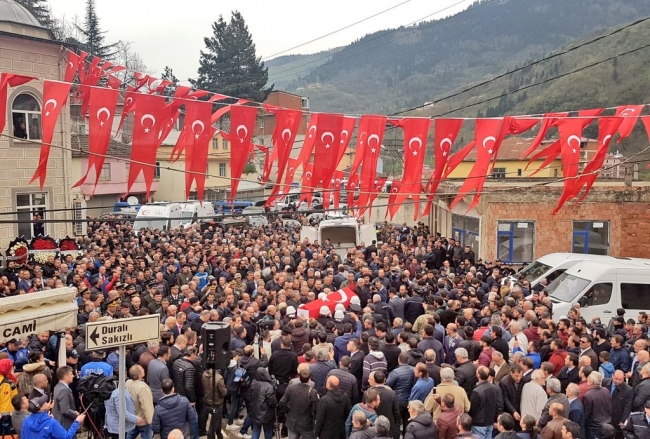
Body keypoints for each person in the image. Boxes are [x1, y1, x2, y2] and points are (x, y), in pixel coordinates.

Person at [21, 394, 85, 439]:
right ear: (41, 409)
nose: (47, 403)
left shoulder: (25, 420)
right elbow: (66, 437)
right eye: (45, 403)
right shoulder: (51, 422)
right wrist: (77, 421)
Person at [279, 368, 319, 439]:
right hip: (307, 423)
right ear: (309, 378)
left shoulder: (290, 388)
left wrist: (287, 411)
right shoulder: (313, 392)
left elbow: (282, 402)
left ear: (299, 377)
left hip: (292, 421)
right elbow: (315, 409)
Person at [469, 366, 502, 439]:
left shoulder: (476, 391)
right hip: (489, 422)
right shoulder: (493, 387)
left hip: (479, 423)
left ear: (478, 375)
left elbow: (472, 409)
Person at [125, 365, 155, 439]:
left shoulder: (127, 383)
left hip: (131, 418)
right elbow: (146, 406)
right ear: (139, 375)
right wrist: (150, 421)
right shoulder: (142, 388)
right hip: (142, 420)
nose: (144, 371)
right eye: (142, 370)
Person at [249, 369, 277, 439]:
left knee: (256, 431)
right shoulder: (268, 386)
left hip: (255, 412)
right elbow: (272, 402)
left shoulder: (253, 383)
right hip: (266, 414)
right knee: (268, 431)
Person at [201, 365, 227, 439]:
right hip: (217, 403)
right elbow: (224, 393)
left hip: (207, 401)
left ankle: (219, 435)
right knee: (213, 425)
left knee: (217, 420)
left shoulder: (204, 374)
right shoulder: (219, 378)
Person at [52, 366, 80, 430]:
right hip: (64, 424)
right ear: (65, 376)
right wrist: (76, 414)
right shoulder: (63, 390)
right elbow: (65, 410)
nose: (73, 376)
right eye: (71, 374)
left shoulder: (58, 386)